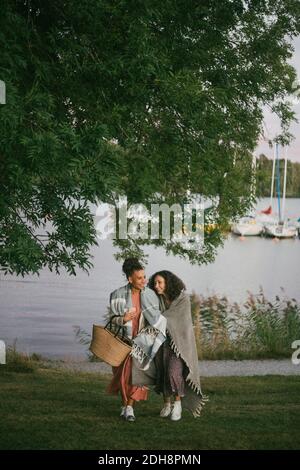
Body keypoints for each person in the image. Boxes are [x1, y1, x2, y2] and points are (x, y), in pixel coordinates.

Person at [107, 258, 166, 422]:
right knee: (123, 376)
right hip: (123, 341)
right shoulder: (117, 295)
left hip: (142, 343)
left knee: (136, 375)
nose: (144, 281)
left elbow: (157, 318)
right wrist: (123, 319)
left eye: (144, 277)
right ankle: (125, 405)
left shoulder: (150, 295)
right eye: (139, 278)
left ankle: (130, 407)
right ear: (130, 279)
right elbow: (112, 319)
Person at [148, 270, 208, 421]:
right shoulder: (156, 299)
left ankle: (178, 405)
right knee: (162, 373)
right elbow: (150, 315)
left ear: (168, 283)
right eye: (154, 283)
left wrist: (158, 319)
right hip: (161, 342)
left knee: (173, 372)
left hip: (179, 344)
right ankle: (167, 404)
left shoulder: (182, 299)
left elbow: (176, 320)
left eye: (160, 282)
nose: (156, 286)